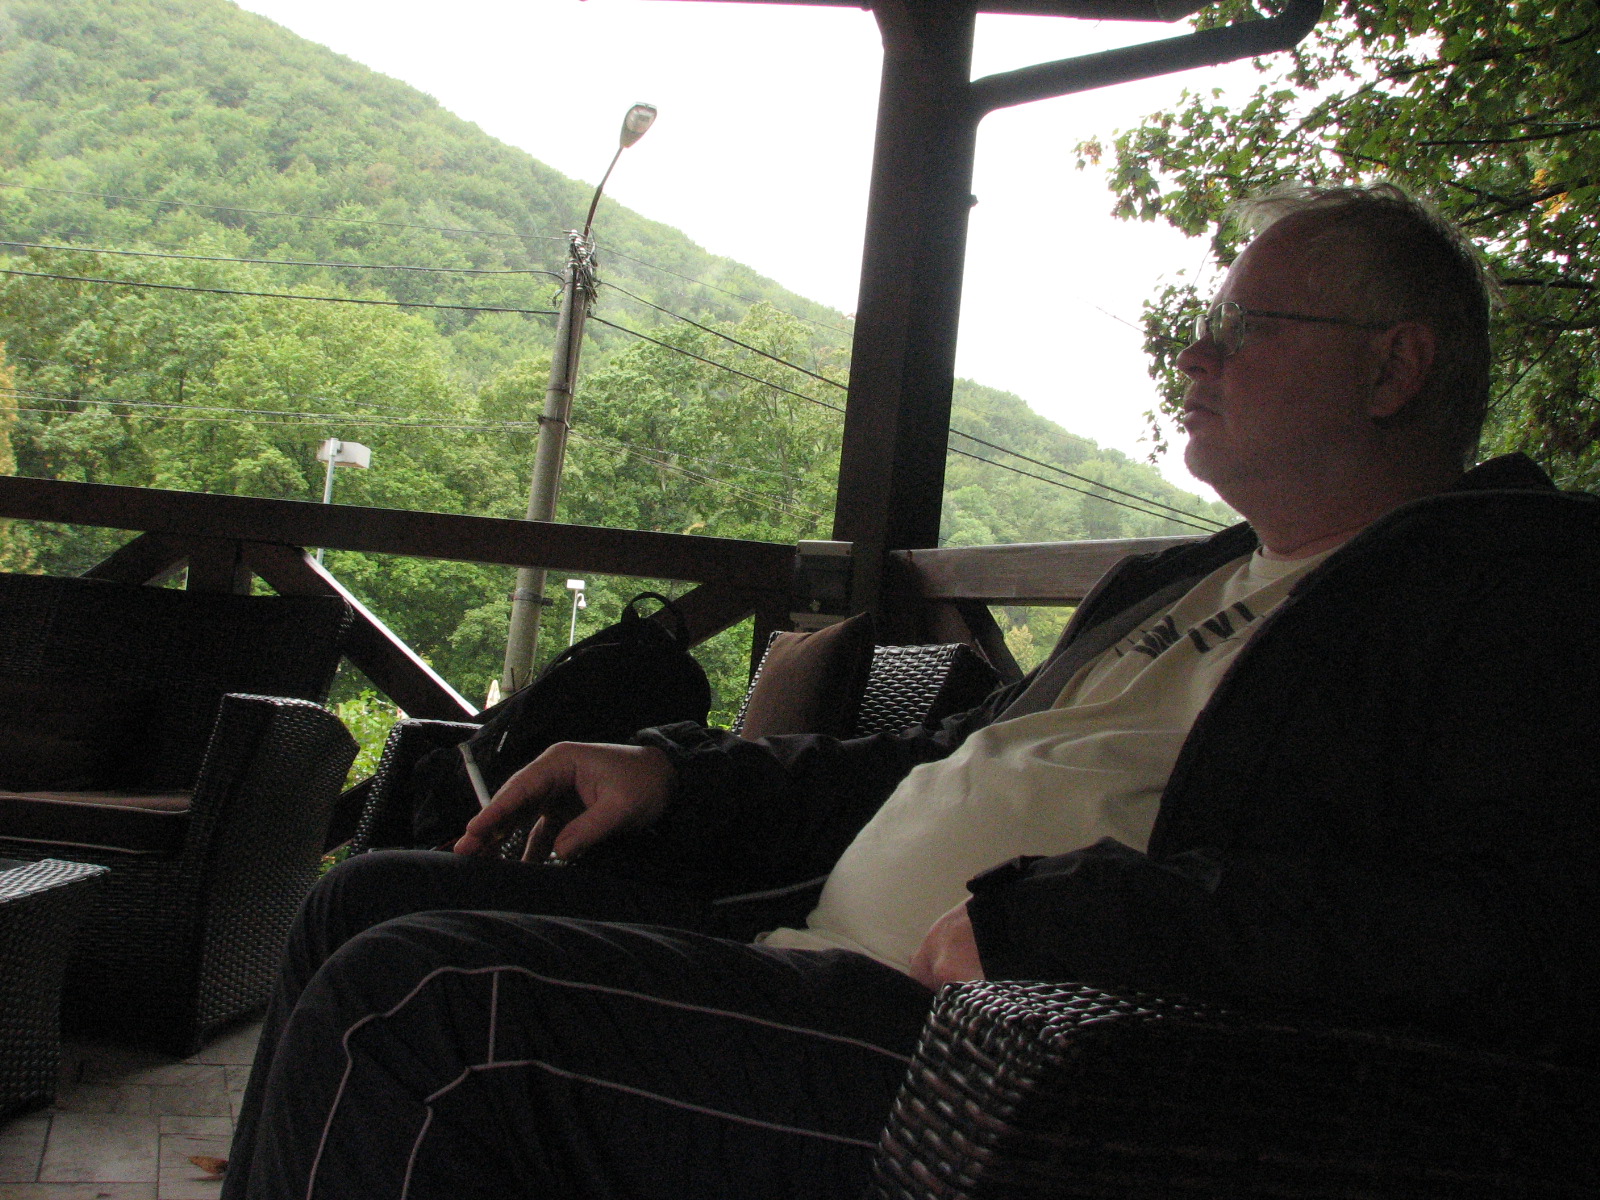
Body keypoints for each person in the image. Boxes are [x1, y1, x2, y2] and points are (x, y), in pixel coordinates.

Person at [222, 183, 1600, 1199]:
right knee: (365, 897)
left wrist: (1069, 924)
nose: (1196, 355)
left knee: (420, 1011)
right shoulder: (1182, 580)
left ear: (1394, 367)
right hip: (814, 960)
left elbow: (1508, 928)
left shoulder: (1513, 590)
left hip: (1020, 1077)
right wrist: (678, 773)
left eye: (1244, 325)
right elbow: (934, 764)